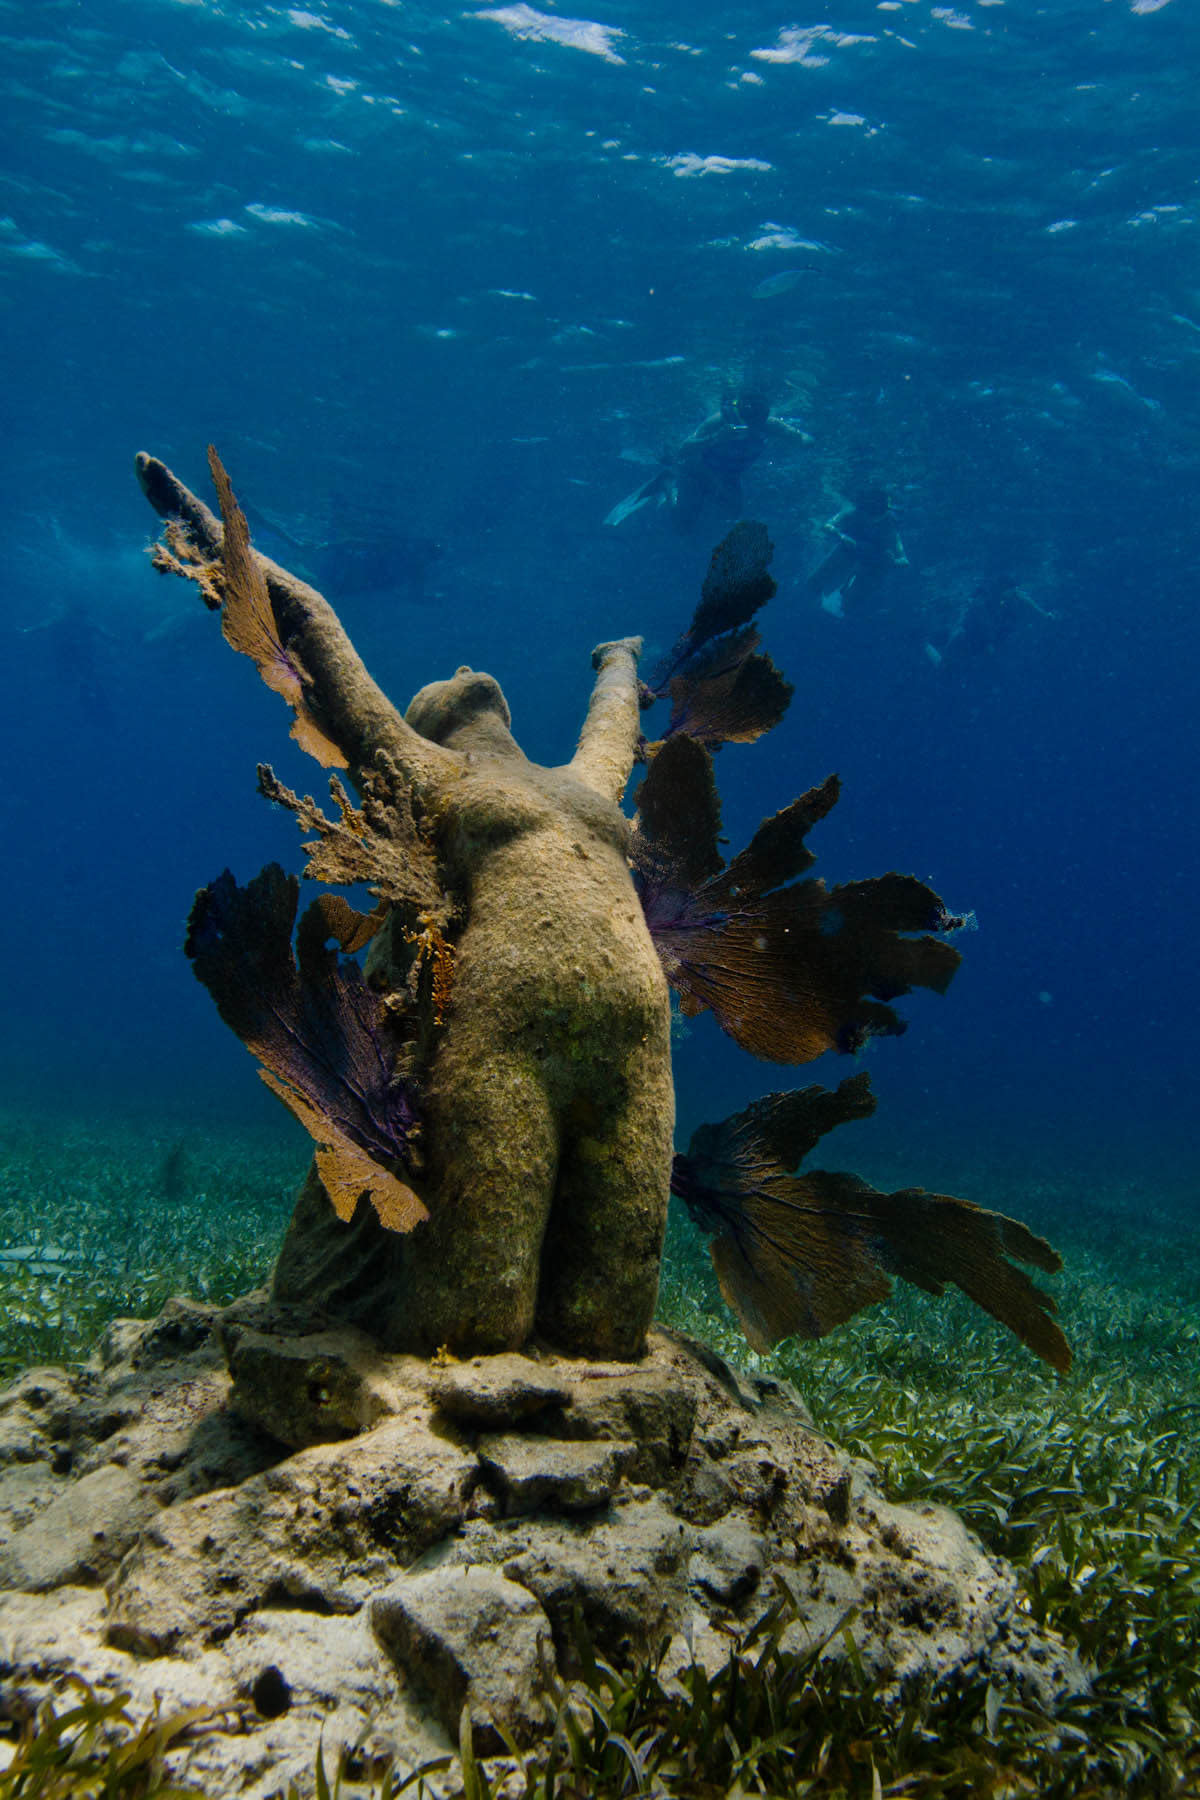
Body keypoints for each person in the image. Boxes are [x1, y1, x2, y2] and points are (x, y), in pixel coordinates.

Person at [606, 390, 811, 532]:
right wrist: (715, 438)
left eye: (759, 418)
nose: (752, 425)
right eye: (749, 418)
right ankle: (667, 484)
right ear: (741, 411)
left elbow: (805, 438)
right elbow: (683, 449)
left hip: (728, 476)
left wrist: (802, 441)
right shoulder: (721, 421)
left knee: (734, 511)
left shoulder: (769, 425)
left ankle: (697, 500)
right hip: (696, 471)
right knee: (682, 527)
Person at [806, 485, 908, 615]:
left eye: (880, 510)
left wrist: (893, 562)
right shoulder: (853, 512)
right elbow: (827, 526)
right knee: (813, 583)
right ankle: (815, 603)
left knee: (853, 601)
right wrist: (842, 537)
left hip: (872, 562)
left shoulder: (889, 524)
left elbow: (904, 559)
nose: (875, 516)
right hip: (847, 552)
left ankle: (843, 609)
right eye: (872, 509)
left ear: (886, 509)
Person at [924, 576, 1059, 667]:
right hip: (973, 632)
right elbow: (978, 623)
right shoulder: (985, 601)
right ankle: (938, 652)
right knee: (959, 643)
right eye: (1013, 590)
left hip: (984, 634)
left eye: (1016, 590)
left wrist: (1044, 614)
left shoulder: (1012, 596)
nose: (1016, 592)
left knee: (969, 650)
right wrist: (989, 642)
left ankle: (943, 655)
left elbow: (1027, 600)